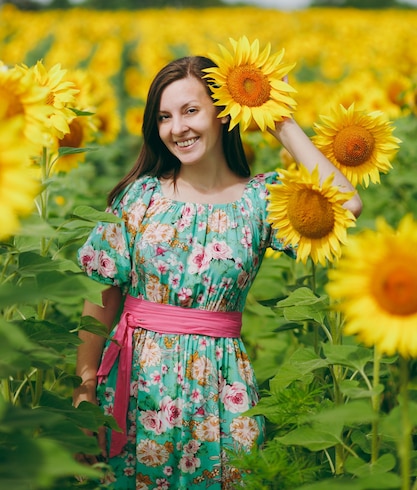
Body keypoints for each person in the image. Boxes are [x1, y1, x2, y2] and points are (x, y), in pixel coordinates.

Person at [74, 55, 362, 489]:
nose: (177, 128)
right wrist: (85, 389)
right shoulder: (141, 196)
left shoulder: (261, 200)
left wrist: (279, 121)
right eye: (164, 117)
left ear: (223, 112)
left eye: (191, 111)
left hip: (222, 390)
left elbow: (347, 205)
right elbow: (102, 294)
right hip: (136, 386)